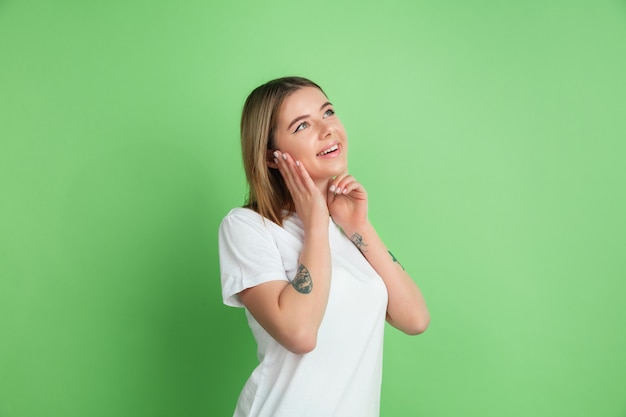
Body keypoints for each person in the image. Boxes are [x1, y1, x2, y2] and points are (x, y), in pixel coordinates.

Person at [218, 76, 430, 417]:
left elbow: (415, 318)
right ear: (273, 157)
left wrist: (357, 225)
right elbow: (300, 334)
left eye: (327, 112)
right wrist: (315, 223)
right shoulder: (246, 227)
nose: (326, 129)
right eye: (302, 125)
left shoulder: (346, 228)